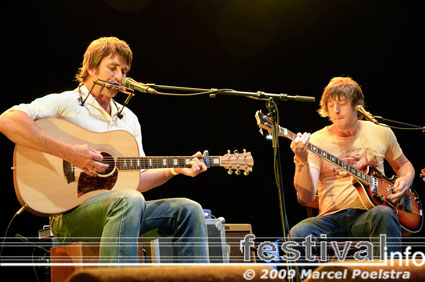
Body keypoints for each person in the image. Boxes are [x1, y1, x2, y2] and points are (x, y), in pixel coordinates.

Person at [0, 36, 209, 263]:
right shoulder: (67, 103)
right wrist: (68, 152)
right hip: (69, 215)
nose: (119, 77)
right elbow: (8, 121)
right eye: (112, 68)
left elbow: (134, 182)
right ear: (90, 68)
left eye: (124, 71)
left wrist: (173, 170)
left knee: (189, 210)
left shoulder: (128, 118)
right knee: (130, 200)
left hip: (121, 209)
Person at [289, 76, 415, 260]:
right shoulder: (316, 141)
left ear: (356, 105)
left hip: (370, 217)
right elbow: (306, 196)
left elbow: (404, 165)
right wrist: (301, 159)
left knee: (385, 214)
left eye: (342, 103)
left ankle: (388, 276)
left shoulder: (381, 132)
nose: (336, 110)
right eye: (331, 105)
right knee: (298, 233)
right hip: (331, 221)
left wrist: (405, 179)